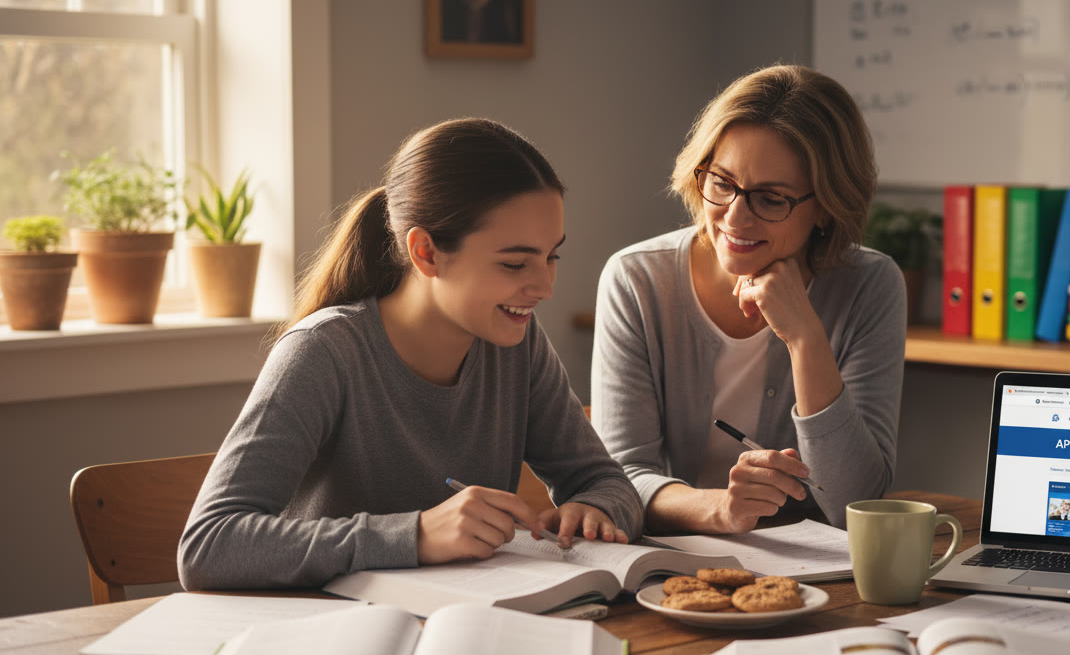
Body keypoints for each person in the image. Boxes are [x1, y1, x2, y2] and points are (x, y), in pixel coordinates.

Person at [179, 118, 642, 590]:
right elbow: (208, 545)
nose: (544, 286)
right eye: (515, 263)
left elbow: (607, 482)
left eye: (552, 257)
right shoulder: (323, 353)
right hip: (332, 638)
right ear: (425, 252)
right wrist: (415, 535)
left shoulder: (516, 343)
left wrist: (597, 509)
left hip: (467, 624)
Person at [591, 65, 905, 534]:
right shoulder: (637, 280)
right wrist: (720, 508)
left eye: (771, 198)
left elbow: (854, 503)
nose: (735, 217)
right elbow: (618, 481)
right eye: (722, 182)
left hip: (817, 572)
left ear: (825, 207)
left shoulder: (871, 285)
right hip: (671, 562)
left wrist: (805, 337)